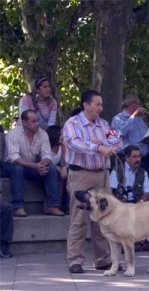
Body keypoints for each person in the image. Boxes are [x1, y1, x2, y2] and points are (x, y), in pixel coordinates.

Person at [63, 90, 122, 274]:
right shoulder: (72, 124)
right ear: (86, 105)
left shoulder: (104, 124)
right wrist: (98, 146)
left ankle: (103, 260)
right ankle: (75, 260)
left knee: (104, 217)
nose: (100, 108)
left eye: (101, 104)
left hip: (102, 174)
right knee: (79, 218)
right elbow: (74, 144)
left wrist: (104, 144)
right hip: (81, 174)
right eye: (97, 104)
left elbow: (118, 141)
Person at [2, 109, 64, 217]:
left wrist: (43, 164)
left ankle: (52, 206)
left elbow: (47, 155)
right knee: (18, 169)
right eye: (33, 121)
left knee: (51, 168)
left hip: (32, 166)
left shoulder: (42, 134)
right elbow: (14, 158)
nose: (37, 124)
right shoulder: (14, 134)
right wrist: (35, 166)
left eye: (38, 121)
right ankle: (18, 207)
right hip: (11, 166)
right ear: (25, 122)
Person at [46, 125, 69, 214]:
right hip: (49, 167)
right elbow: (44, 159)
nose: (64, 135)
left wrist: (65, 167)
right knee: (53, 173)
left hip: (60, 167)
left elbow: (66, 160)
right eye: (62, 134)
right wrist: (57, 168)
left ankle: (67, 205)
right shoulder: (46, 146)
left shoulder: (62, 146)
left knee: (69, 173)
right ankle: (53, 205)